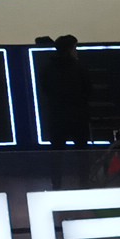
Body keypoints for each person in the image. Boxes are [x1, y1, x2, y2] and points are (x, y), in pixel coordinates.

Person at [39, 34, 91, 186]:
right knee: (82, 154)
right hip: (78, 117)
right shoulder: (79, 67)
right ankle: (84, 184)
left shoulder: (47, 68)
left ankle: (56, 184)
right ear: (70, 49)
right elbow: (88, 90)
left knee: (56, 155)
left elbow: (45, 89)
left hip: (56, 117)